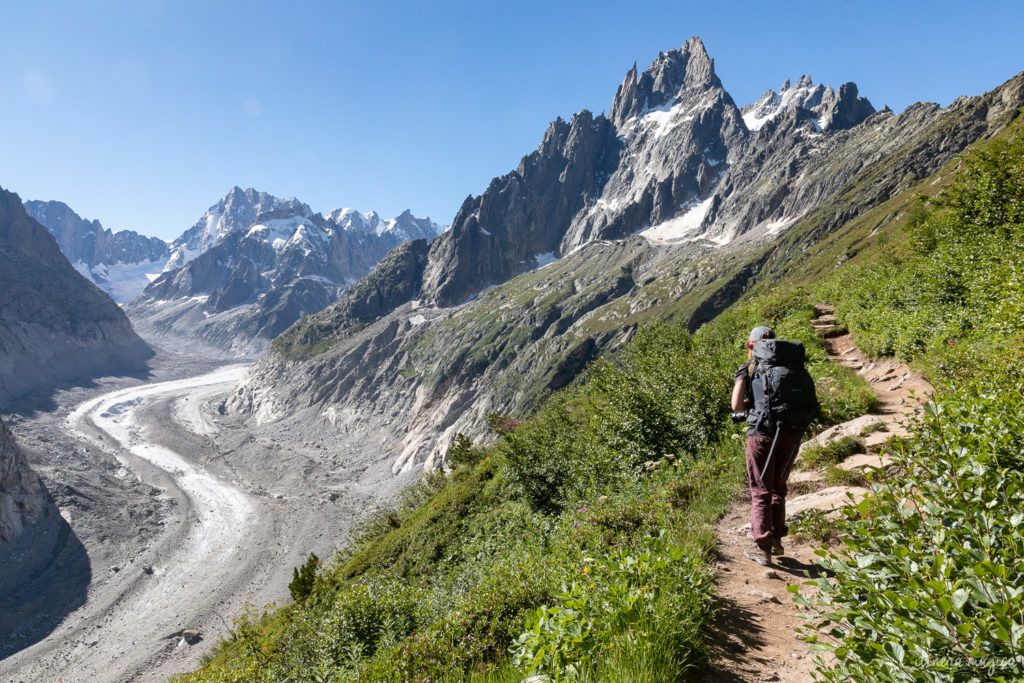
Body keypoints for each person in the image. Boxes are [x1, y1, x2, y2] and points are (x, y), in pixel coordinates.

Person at [731, 326, 807, 566]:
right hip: (792, 432)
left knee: (760, 489)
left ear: (750, 345)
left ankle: (762, 547)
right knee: (778, 487)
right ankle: (776, 540)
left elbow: (736, 406)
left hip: (762, 434)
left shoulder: (750, 367)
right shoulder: (792, 365)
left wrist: (750, 404)